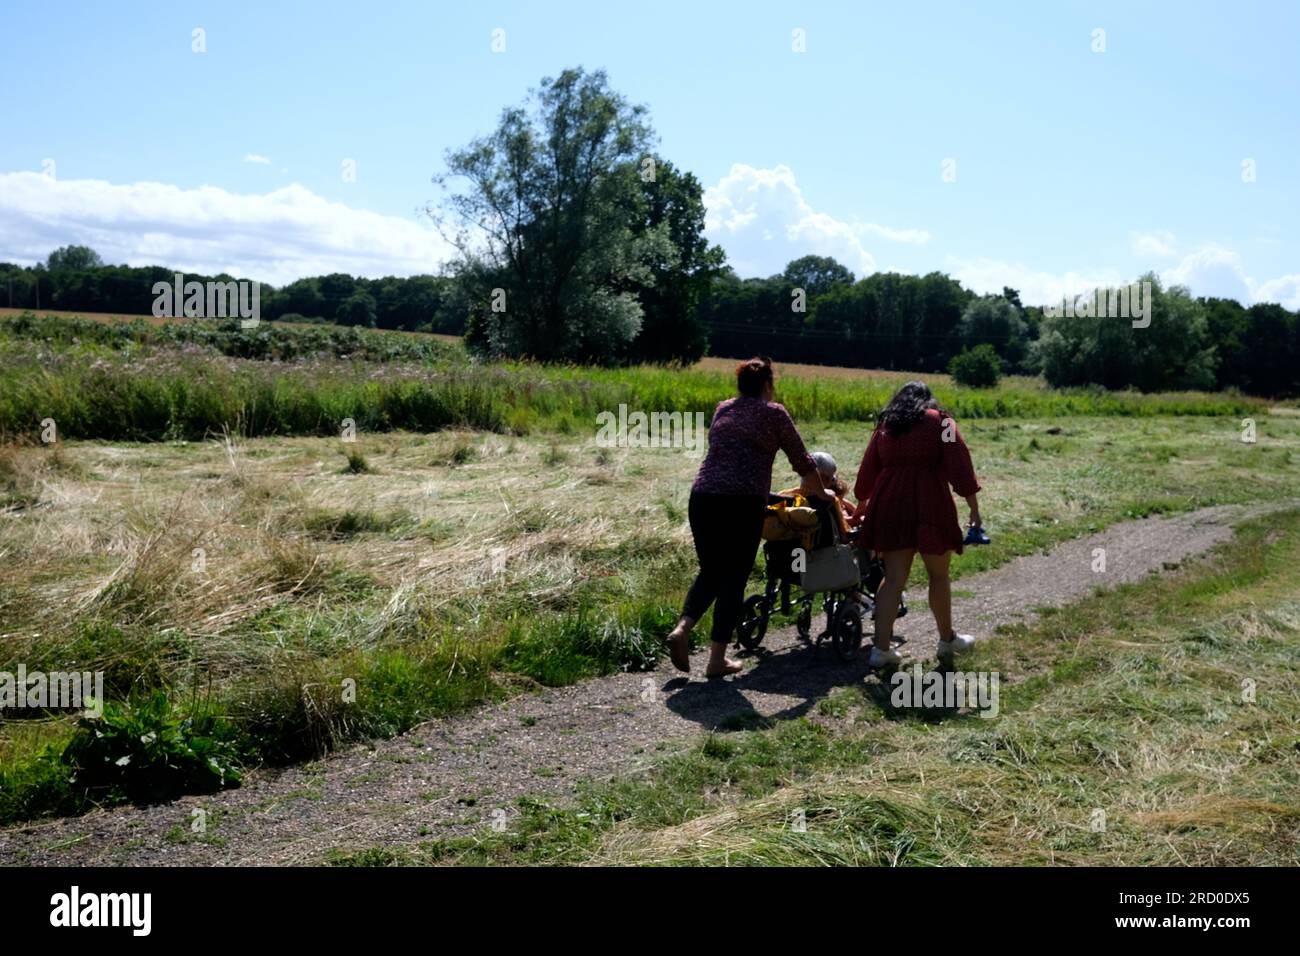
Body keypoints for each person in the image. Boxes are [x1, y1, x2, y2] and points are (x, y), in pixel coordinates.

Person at [666, 357, 830, 677]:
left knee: (712, 570)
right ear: (767, 385)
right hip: (741, 505)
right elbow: (803, 462)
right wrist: (822, 494)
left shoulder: (723, 408)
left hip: (702, 498)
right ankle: (716, 660)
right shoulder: (774, 413)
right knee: (733, 577)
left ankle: (682, 629)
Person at [850, 381, 983, 668]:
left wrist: (862, 502)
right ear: (928, 401)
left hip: (890, 503)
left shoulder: (886, 424)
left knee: (894, 577)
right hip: (930, 502)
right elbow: (960, 466)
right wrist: (974, 508)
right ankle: (947, 641)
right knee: (939, 576)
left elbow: (868, 467)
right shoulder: (942, 422)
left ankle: (881, 650)